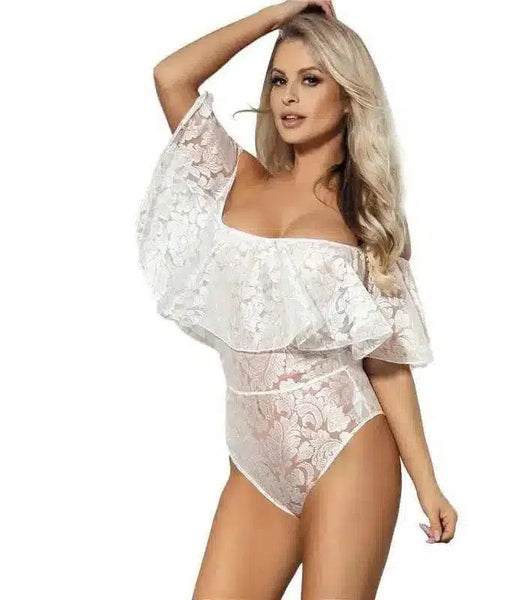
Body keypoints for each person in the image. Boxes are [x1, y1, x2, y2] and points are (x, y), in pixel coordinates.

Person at [136, 2, 458, 598]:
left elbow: (387, 363)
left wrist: (428, 483)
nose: (288, 96)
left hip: (347, 446)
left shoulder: (364, 218)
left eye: (311, 80)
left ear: (348, 96)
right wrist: (282, 11)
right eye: (278, 80)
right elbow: (171, 77)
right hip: (254, 463)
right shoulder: (236, 179)